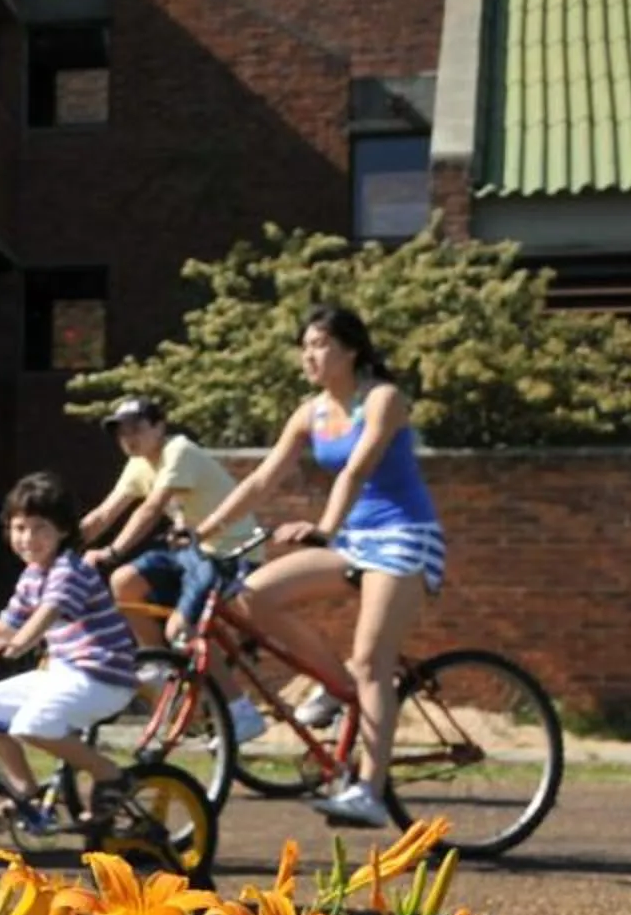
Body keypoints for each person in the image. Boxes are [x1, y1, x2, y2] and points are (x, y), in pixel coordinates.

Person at [185, 304, 442, 828]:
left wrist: (322, 527)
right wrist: (203, 529)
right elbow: (261, 480)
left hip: (404, 537)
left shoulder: (383, 399)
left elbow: (356, 469)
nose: (310, 355)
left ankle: (368, 791)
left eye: (321, 344)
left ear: (351, 350)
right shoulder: (311, 413)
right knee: (251, 597)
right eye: (305, 346)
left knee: (372, 658)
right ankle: (338, 688)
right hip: (353, 539)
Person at [0, 471, 144, 838]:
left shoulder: (68, 570)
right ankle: (26, 789)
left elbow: (46, 616)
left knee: (31, 725)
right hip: (66, 672)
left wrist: (17, 646)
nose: (28, 538)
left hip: (103, 676)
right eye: (19, 528)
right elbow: (8, 622)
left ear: (62, 530)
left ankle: (110, 774)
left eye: (39, 528)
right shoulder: (33, 573)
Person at [78, 394, 266, 747]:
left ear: (160, 426)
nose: (129, 438)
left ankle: (242, 713)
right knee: (125, 582)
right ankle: (162, 669)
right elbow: (104, 515)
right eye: (121, 432)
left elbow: (150, 509)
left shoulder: (179, 451)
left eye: (137, 428)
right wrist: (60, 547)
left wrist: (112, 550)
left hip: (229, 553)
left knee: (183, 630)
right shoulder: (138, 464)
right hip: (189, 554)